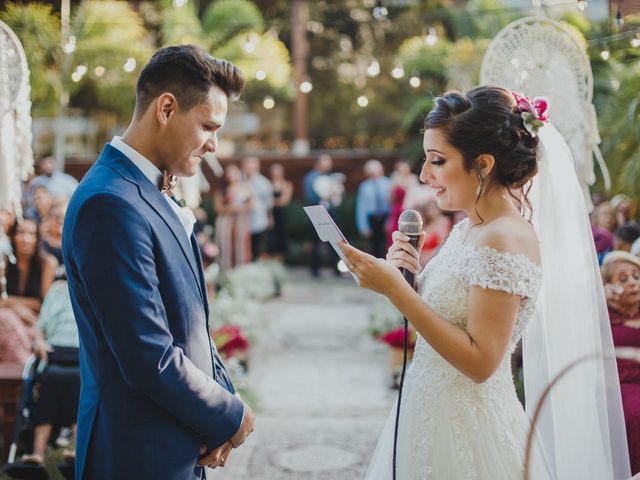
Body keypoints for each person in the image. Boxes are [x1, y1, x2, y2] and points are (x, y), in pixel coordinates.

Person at [340, 86, 630, 479]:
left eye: (437, 161)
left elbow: (482, 362)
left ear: (484, 164)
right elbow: (450, 316)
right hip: (428, 411)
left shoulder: (505, 237)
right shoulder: (469, 229)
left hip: (471, 431)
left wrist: (396, 290)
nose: (426, 175)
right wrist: (409, 280)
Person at [62, 45, 254, 480]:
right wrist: (229, 414)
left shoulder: (145, 189)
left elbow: (191, 326)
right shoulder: (108, 203)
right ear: (166, 107)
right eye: (208, 126)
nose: (214, 144)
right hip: (137, 457)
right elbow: (148, 353)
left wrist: (220, 397)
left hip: (176, 446)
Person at [21, 276, 80, 466]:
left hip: (80, 356)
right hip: (54, 354)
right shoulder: (56, 290)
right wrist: (38, 342)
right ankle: (38, 455)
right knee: (49, 379)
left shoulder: (95, 286)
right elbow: (41, 326)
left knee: (77, 380)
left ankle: (80, 449)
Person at [602, 251, 640, 474]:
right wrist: (597, 294)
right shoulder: (601, 312)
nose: (633, 283)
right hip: (621, 384)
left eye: (636, 276)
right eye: (622, 279)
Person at [0, 218, 57, 365]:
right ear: (12, 236)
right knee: (5, 318)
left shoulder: (47, 263)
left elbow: (44, 305)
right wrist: (17, 308)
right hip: (9, 321)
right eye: (21, 233)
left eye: (31, 234)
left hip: (35, 323)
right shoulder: (4, 262)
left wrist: (9, 301)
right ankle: (25, 367)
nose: (26, 239)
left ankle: (25, 367)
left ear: (37, 239)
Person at [214, 164, 253, 271]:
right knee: (225, 246)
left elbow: (251, 204)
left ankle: (241, 271)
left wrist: (238, 208)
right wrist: (233, 208)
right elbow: (218, 208)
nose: (231, 175)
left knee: (241, 246)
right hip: (225, 222)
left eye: (234, 172)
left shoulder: (245, 187)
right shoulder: (222, 190)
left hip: (240, 221)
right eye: (229, 172)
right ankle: (225, 270)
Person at [356, 160, 391, 258]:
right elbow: (361, 207)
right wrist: (363, 226)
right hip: (372, 218)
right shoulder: (364, 186)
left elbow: (392, 204)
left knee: (386, 246)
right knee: (373, 247)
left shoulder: (388, 183)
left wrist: (390, 221)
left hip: (385, 216)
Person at [241, 156, 273, 260]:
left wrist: (270, 218)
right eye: (247, 164)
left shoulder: (264, 183)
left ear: (257, 166)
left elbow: (269, 203)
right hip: (240, 222)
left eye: (251, 164)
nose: (249, 167)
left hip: (258, 222)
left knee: (256, 251)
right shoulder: (237, 180)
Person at [267, 162, 293, 259]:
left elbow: (284, 201)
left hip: (282, 215)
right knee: (271, 240)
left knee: (282, 238)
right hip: (271, 215)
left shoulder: (287, 184)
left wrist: (272, 201)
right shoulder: (268, 184)